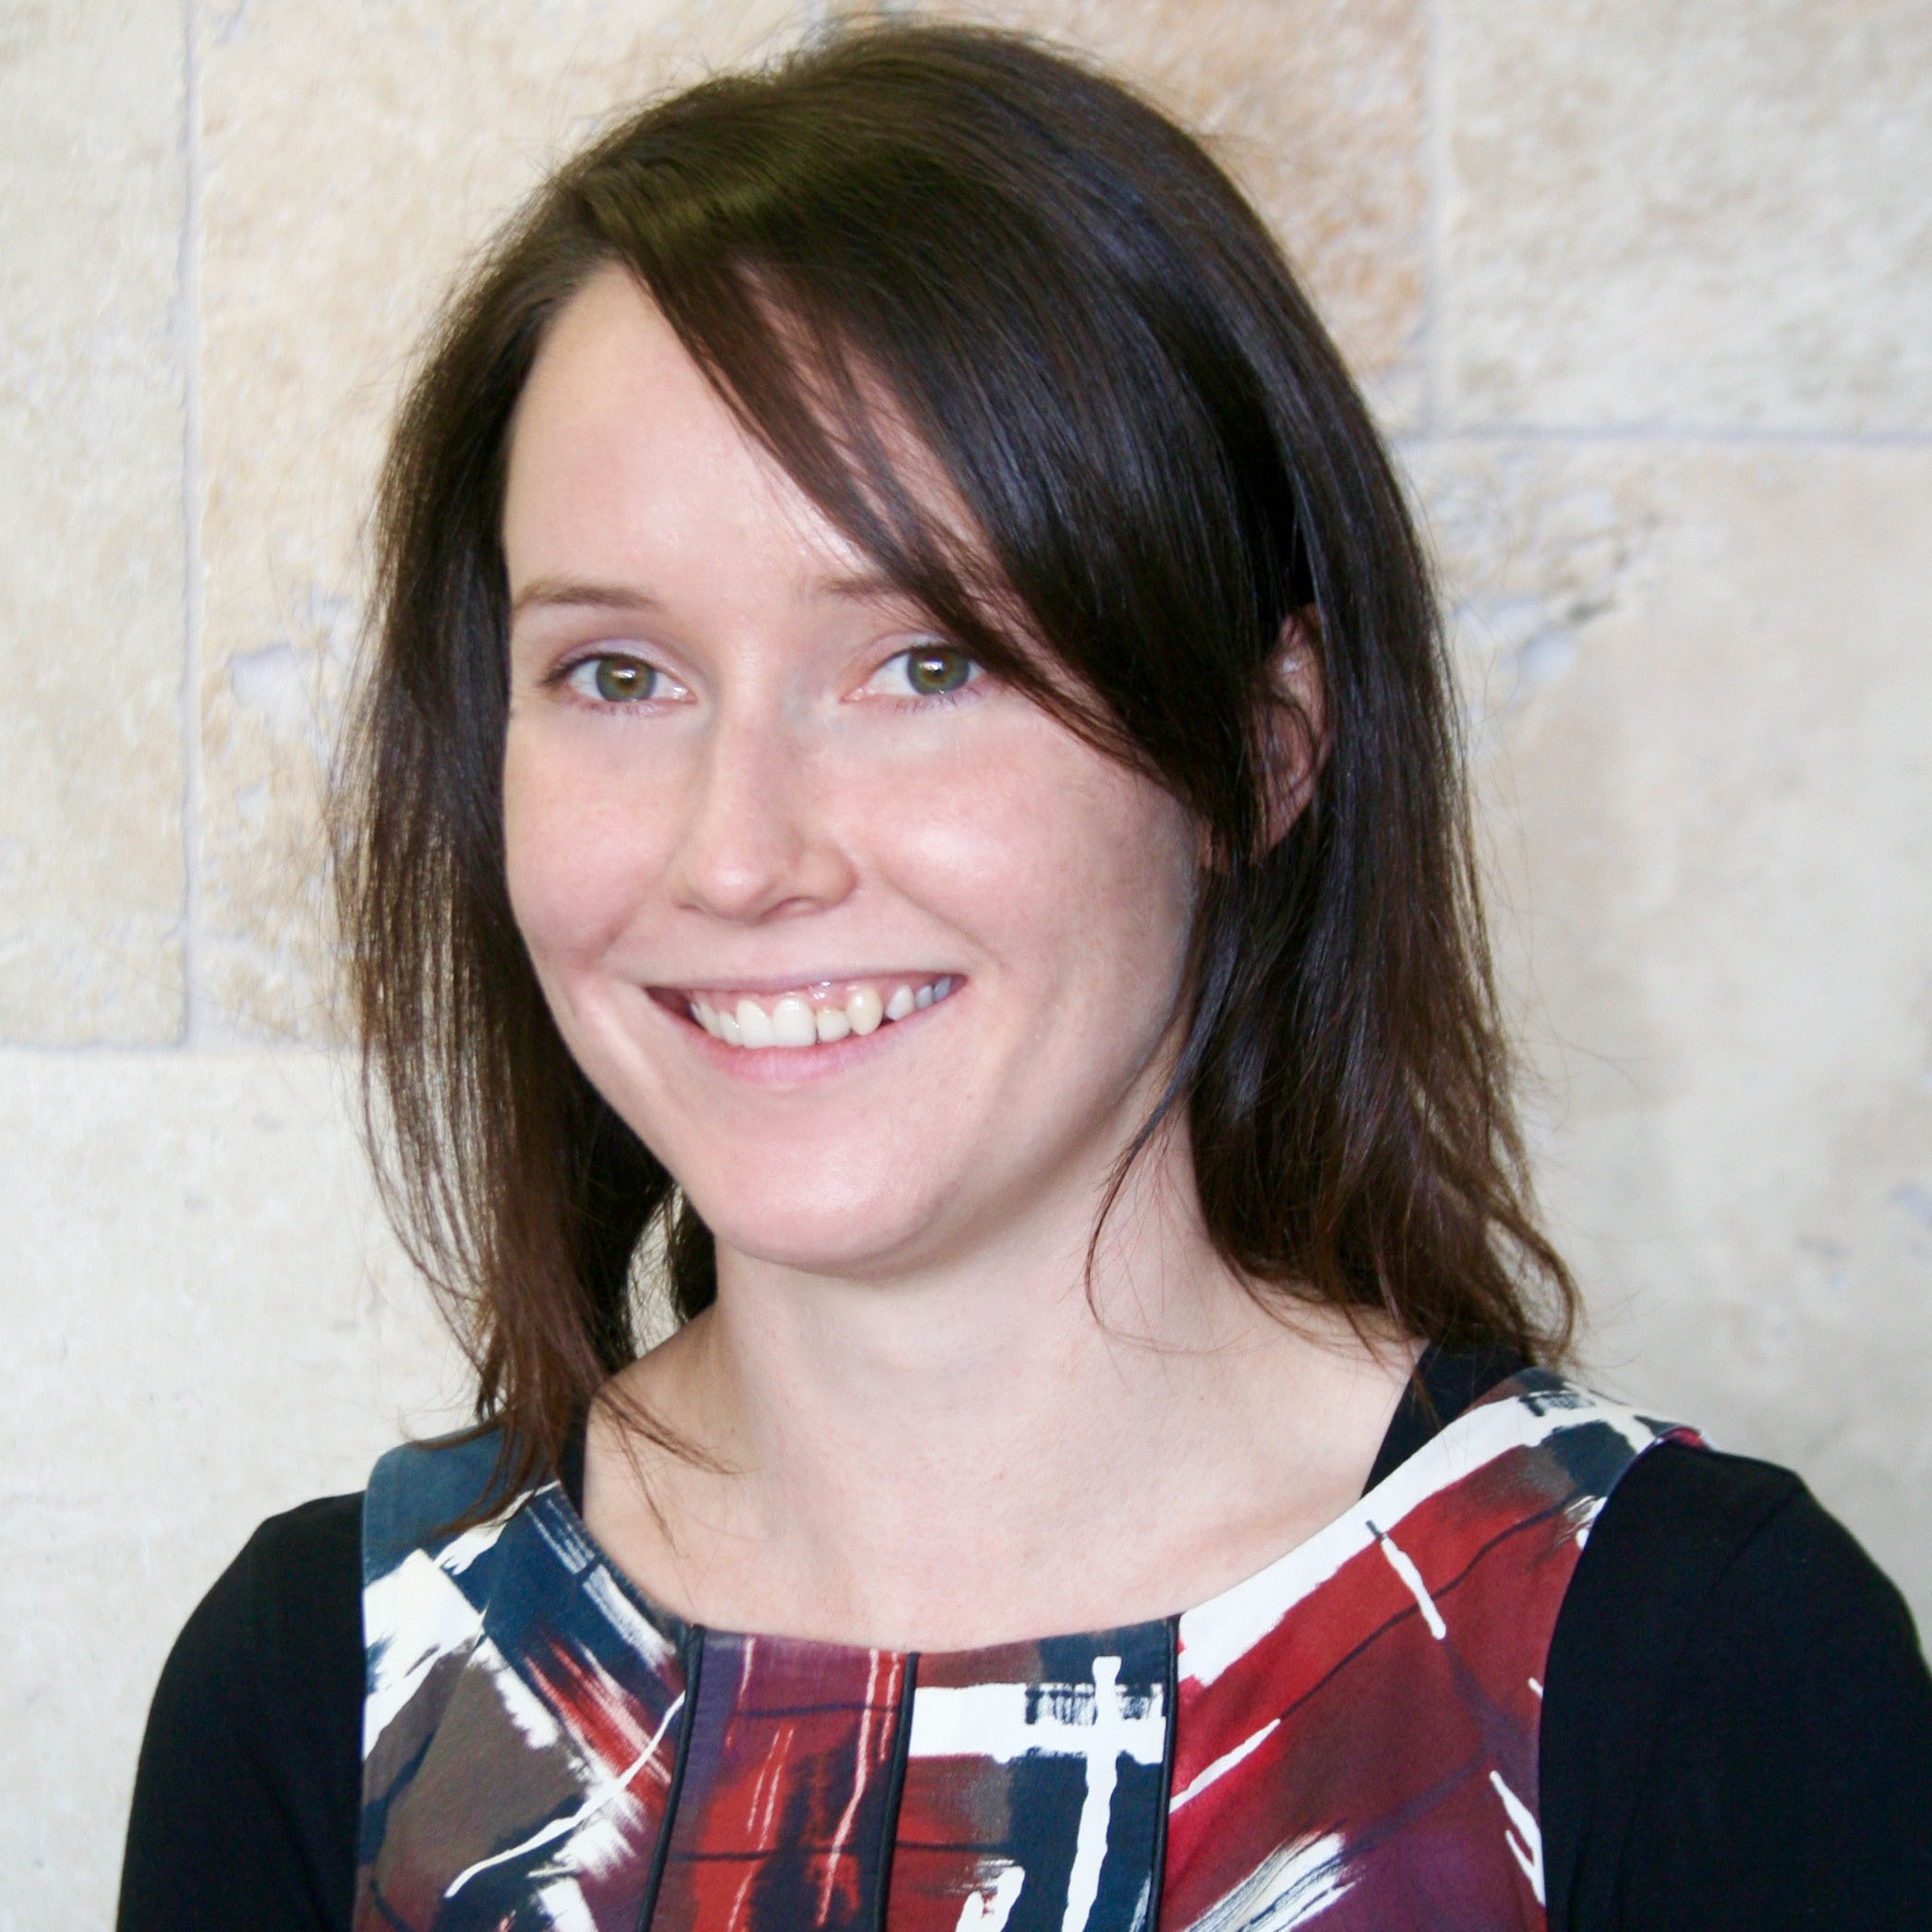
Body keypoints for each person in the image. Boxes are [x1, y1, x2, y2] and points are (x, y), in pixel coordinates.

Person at [117, 21, 1930, 1932]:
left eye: (924, 661)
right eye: (619, 674)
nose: (736, 855)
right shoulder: (313, 1699)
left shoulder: (1693, 1671)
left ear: (1261, 746)